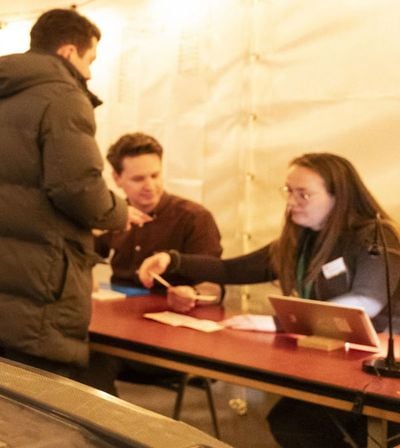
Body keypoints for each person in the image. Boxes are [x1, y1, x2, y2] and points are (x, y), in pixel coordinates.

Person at [0, 7, 131, 381]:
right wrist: (120, 211)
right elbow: (78, 189)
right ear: (68, 52)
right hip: (36, 293)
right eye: (91, 60)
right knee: (37, 418)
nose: (91, 73)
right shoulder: (64, 99)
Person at [138, 153, 400, 448]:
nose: (291, 202)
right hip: (332, 362)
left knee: (299, 422)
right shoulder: (303, 239)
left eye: (304, 194)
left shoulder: (376, 237)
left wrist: (277, 322)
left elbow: (366, 302)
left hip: (379, 373)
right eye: (288, 191)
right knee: (291, 421)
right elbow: (233, 269)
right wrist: (172, 260)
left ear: (339, 197)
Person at [95, 132, 222, 288]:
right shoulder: (111, 215)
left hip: (172, 307)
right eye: (138, 179)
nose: (149, 186)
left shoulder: (195, 217)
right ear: (117, 179)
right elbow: (83, 257)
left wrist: (193, 295)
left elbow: (213, 284)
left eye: (155, 175)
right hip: (120, 305)